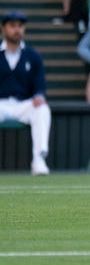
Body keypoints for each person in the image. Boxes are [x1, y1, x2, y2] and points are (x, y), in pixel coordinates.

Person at [0, 11, 51, 175]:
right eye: (12, 26)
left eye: (20, 26)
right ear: (3, 28)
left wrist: (39, 96)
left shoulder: (33, 56)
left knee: (42, 109)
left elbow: (40, 85)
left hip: (23, 105)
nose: (17, 30)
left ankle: (39, 160)